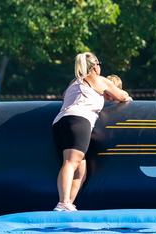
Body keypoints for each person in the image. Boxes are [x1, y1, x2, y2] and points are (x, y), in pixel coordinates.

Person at [52, 52, 132, 211]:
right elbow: (122, 95)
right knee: (71, 162)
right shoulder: (99, 80)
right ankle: (62, 202)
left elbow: (65, 97)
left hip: (60, 122)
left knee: (81, 170)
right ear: (96, 67)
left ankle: (67, 204)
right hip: (79, 120)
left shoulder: (74, 82)